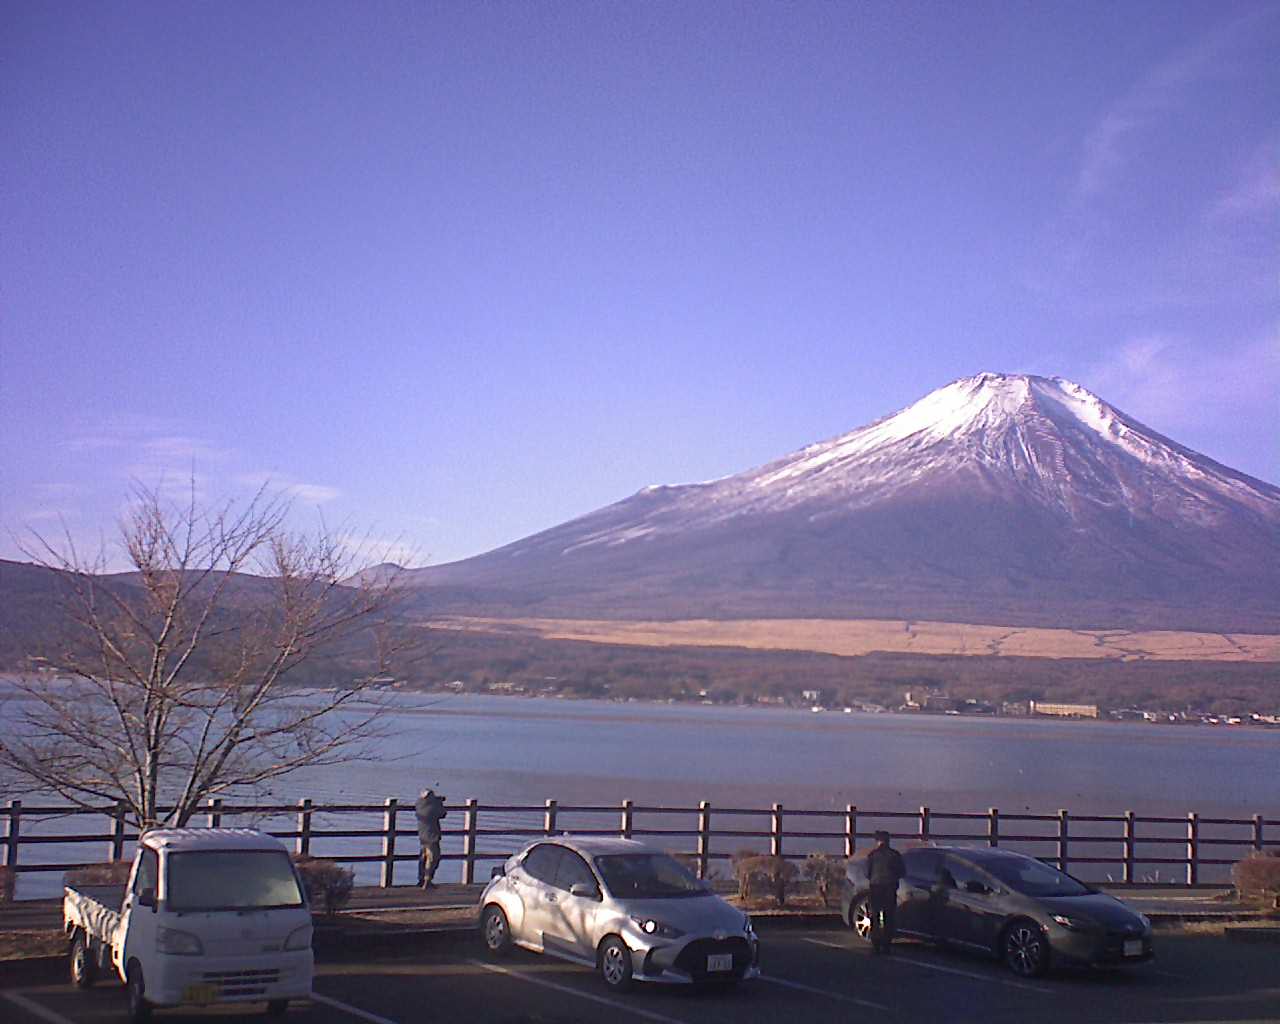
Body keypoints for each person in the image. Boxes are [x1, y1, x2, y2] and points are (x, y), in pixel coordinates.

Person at [866, 830, 905, 954]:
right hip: (890, 886)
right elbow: (902, 872)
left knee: (875, 915)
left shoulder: (872, 855)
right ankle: (887, 943)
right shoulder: (895, 855)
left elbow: (867, 873)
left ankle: (876, 942)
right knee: (889, 916)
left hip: (875, 886)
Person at [415, 788, 448, 888]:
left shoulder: (419, 804)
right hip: (432, 836)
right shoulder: (431, 808)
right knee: (433, 859)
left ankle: (421, 880)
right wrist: (439, 803)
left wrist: (437, 800)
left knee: (423, 858)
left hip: (422, 836)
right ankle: (427, 881)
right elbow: (443, 814)